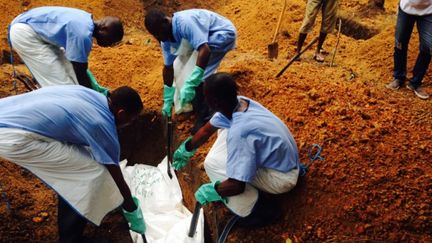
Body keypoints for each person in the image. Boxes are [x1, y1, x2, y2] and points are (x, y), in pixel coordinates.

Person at [0, 85, 145, 242]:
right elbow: (115, 174)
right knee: (91, 174)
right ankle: (71, 239)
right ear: (121, 113)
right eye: (131, 120)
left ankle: (72, 223)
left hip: (7, 112)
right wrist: (131, 208)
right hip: (15, 137)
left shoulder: (93, 96)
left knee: (82, 164)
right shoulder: (100, 124)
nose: (129, 124)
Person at [172, 73, 300, 227]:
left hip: (281, 177)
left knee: (218, 166)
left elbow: (236, 186)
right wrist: (185, 149)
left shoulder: (240, 133)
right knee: (223, 132)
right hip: (284, 160)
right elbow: (206, 131)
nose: (205, 101)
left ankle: (258, 209)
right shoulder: (239, 103)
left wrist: (213, 190)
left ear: (215, 102)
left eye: (206, 97)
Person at [144, 9, 237, 133]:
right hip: (202, 41)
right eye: (154, 35)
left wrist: (193, 81)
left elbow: (205, 49)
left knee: (197, 74)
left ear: (165, 22)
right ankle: (191, 105)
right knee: (179, 68)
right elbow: (168, 67)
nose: (158, 37)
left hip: (221, 35)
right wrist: (167, 97)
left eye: (159, 33)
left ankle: (205, 115)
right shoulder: (165, 39)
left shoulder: (185, 23)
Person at [8, 6, 123, 91]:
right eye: (110, 41)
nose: (109, 46)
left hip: (40, 34)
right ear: (104, 29)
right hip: (26, 33)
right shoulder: (82, 34)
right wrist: (93, 96)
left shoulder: (85, 19)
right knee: (61, 86)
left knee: (69, 74)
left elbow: (75, 68)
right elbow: (80, 72)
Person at [386, 0, 431, 100]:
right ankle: (398, 77)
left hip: (428, 11)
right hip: (406, 9)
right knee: (400, 44)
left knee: (427, 47)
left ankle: (415, 82)